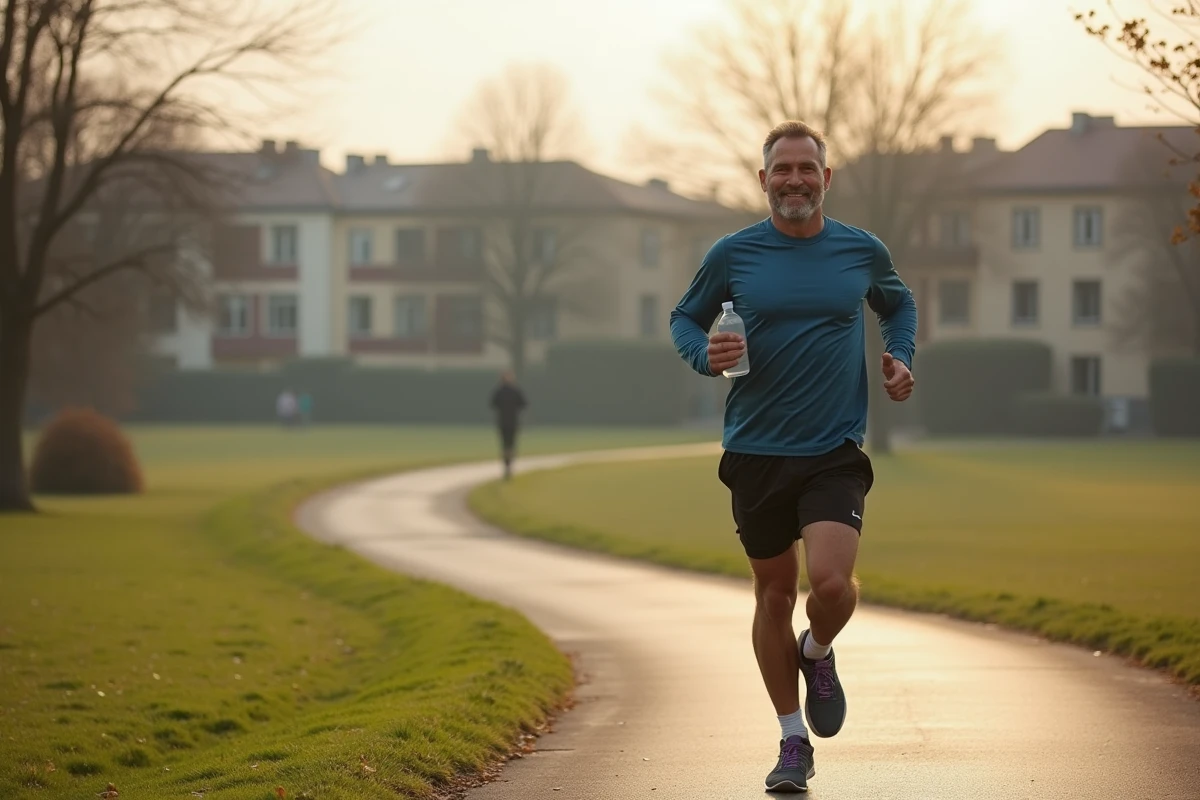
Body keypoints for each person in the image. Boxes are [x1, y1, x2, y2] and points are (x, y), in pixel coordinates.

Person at [669, 120, 917, 793]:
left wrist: (901, 358)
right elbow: (684, 319)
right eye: (783, 169)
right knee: (774, 593)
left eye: (808, 169)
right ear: (764, 180)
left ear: (826, 179)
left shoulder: (860, 251)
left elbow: (899, 305)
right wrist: (703, 356)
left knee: (831, 586)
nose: (795, 181)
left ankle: (818, 650)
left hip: (834, 448)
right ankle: (791, 741)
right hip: (754, 450)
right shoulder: (734, 253)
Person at [489, 371, 527, 480]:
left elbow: (492, 404)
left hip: (502, 422)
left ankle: (506, 465)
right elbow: (523, 404)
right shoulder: (515, 391)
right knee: (511, 444)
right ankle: (509, 465)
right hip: (513, 422)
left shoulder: (499, 391)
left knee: (504, 444)